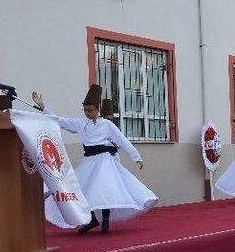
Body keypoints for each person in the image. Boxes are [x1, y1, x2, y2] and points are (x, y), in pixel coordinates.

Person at [33, 86, 158, 234]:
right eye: (86, 110)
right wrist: (42, 107)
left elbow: (122, 140)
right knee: (85, 190)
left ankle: (105, 222)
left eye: (91, 110)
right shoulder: (80, 124)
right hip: (89, 161)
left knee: (103, 189)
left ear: (97, 110)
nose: (88, 113)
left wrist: (136, 156)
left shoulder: (107, 125)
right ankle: (92, 219)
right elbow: (60, 121)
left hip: (104, 161)